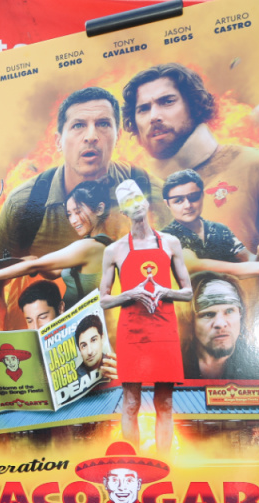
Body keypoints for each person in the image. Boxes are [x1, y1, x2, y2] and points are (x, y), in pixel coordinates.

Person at [122, 63, 259, 377]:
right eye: (143, 108)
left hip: (248, 378)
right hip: (161, 380)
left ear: (194, 105)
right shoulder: (130, 194)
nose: (154, 116)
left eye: (167, 101)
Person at [0, 87, 165, 328]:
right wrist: (2, 347)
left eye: (103, 124)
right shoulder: (25, 203)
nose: (91, 136)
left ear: (117, 135)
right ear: (58, 141)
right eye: (78, 125)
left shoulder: (148, 192)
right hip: (38, 342)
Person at [100, 180, 193, 455]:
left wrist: (164, 291)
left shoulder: (170, 243)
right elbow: (103, 300)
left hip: (164, 331)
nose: (136, 205)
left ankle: (164, 463)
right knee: (131, 403)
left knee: (165, 403)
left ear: (147, 202)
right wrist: (131, 294)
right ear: (123, 212)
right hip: (132, 333)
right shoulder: (114, 250)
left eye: (138, 198)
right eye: (128, 202)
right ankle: (132, 464)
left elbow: (188, 292)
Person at [0, 180, 117, 311]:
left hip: (83, 322)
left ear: (99, 209)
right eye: (69, 214)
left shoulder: (90, 247)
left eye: (78, 212)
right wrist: (33, 262)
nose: (73, 221)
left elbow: (35, 266)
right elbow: (54, 273)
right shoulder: (102, 244)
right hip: (74, 321)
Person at [161, 169, 259, 284]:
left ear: (202, 196)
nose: (188, 205)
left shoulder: (219, 230)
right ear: (167, 204)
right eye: (178, 201)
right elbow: (194, 265)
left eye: (193, 197)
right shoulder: (165, 237)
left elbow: (247, 261)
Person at [0, 281, 117, 403]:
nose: (36, 327)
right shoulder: (23, 354)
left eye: (42, 317)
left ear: (60, 308)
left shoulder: (87, 337)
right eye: (29, 320)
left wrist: (117, 375)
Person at [183, 272, 259, 380]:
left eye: (229, 311)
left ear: (240, 314)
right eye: (208, 314)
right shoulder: (176, 364)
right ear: (191, 321)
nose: (220, 324)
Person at [75, 441, 171, 503]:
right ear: (105, 483)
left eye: (129, 480)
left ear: (138, 484)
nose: (121, 487)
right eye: (114, 480)